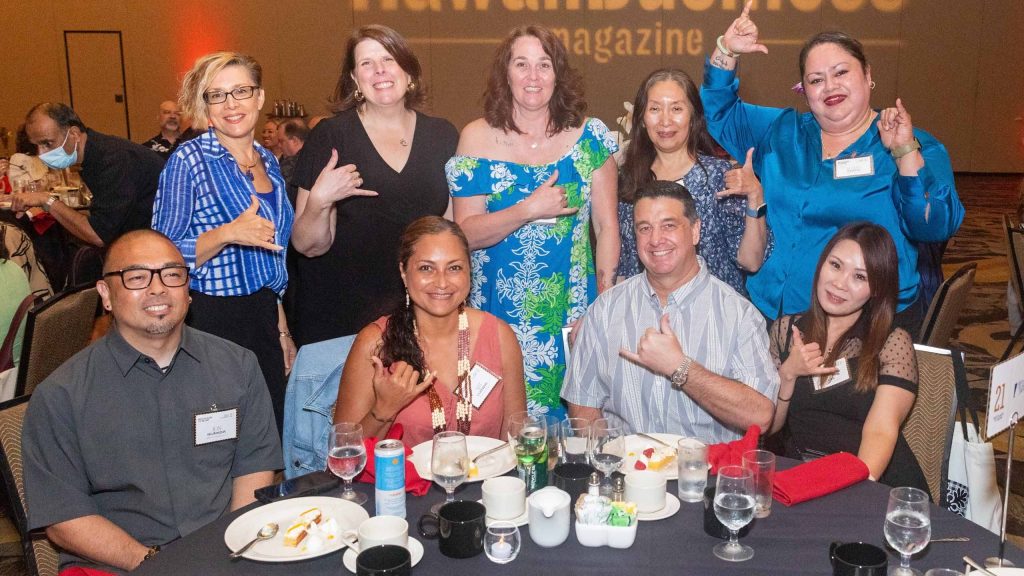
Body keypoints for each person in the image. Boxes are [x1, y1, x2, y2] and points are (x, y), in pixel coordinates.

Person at [21, 229, 280, 574]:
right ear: (106, 295)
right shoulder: (61, 396)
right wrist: (158, 565)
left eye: (172, 275)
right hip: (118, 563)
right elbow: (65, 518)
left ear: (188, 291)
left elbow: (254, 470)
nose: (158, 288)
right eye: (137, 277)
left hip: (225, 552)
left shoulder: (238, 366)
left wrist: (230, 552)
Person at [701, 2, 964, 333]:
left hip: (867, 325)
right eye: (816, 79)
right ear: (805, 90)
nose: (830, 87)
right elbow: (719, 110)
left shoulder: (911, 143)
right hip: (773, 314)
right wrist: (726, 50)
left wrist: (904, 152)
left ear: (868, 76)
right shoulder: (783, 131)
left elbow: (934, 227)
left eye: (841, 72)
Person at [447, 24, 619, 419]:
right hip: (494, 313)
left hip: (570, 311)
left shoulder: (589, 138)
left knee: (574, 429)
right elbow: (465, 234)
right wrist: (528, 209)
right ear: (505, 74)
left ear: (558, 74)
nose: (533, 76)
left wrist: (602, 305)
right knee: (494, 423)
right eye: (521, 64)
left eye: (544, 65)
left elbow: (607, 228)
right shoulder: (476, 138)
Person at [562, 181, 777, 442]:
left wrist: (680, 367)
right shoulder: (606, 308)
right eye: (644, 228)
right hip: (625, 472)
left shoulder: (738, 314)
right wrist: (610, 463)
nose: (655, 240)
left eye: (669, 225)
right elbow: (584, 407)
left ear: (695, 231)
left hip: (704, 475)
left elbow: (761, 416)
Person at [153, 52, 295, 434]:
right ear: (206, 107)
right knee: (221, 443)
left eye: (241, 91)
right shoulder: (189, 161)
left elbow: (274, 263)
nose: (231, 104)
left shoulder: (268, 160)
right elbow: (159, 258)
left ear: (260, 98)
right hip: (211, 322)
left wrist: (281, 330)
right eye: (217, 95)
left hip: (263, 316)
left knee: (269, 435)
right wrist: (227, 233)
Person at [291, 25, 458, 346]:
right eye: (366, 63)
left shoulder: (443, 136)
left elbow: (451, 232)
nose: (379, 70)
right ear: (354, 79)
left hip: (422, 312)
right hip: (343, 319)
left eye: (389, 59)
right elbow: (308, 246)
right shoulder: (331, 136)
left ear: (408, 71)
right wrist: (320, 202)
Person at [334, 216, 526, 447]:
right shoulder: (375, 343)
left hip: (484, 481)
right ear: (404, 273)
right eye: (427, 268)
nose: (442, 282)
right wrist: (383, 410)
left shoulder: (499, 336)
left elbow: (516, 441)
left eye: (454, 268)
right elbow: (342, 453)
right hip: (400, 482)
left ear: (469, 272)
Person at [768, 222, 927, 492]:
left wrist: (855, 494)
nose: (839, 284)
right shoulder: (786, 331)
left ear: (876, 289)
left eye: (860, 277)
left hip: (871, 485)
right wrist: (788, 374)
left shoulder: (890, 342)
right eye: (836, 265)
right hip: (803, 479)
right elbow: (771, 430)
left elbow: (881, 430)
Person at [618, 68, 768, 295]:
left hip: (715, 319)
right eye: (655, 109)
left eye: (677, 109)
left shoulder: (720, 177)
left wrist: (755, 195)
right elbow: (625, 265)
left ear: (694, 117)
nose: (665, 121)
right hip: (647, 316)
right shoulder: (628, 182)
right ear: (641, 119)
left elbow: (751, 262)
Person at [12, 103, 164, 248]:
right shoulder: (96, 154)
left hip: (157, 244)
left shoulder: (112, 160)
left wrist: (47, 200)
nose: (41, 153)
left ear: (74, 134)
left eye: (47, 143)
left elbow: (99, 234)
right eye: (36, 145)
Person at [276, 117, 308, 201]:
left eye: (281, 141)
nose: (279, 146)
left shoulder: (289, 166)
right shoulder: (319, 156)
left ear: (294, 141)